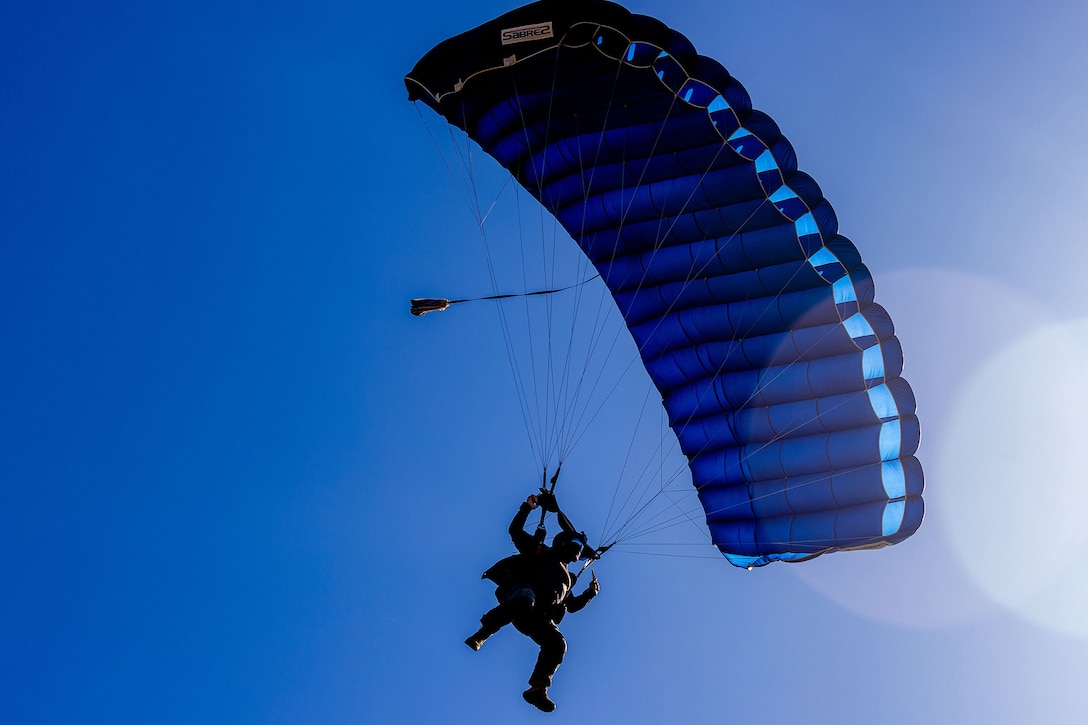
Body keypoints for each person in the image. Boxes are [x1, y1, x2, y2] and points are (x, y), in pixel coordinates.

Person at [465, 491, 601, 713]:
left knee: (558, 644)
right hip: (520, 597)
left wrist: (590, 594)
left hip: (538, 618)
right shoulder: (540, 551)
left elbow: (572, 606)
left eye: (579, 547)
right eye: (574, 543)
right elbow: (515, 531)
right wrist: (527, 508)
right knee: (526, 600)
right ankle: (483, 632)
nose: (577, 549)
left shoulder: (568, 579)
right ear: (564, 543)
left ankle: (538, 688)